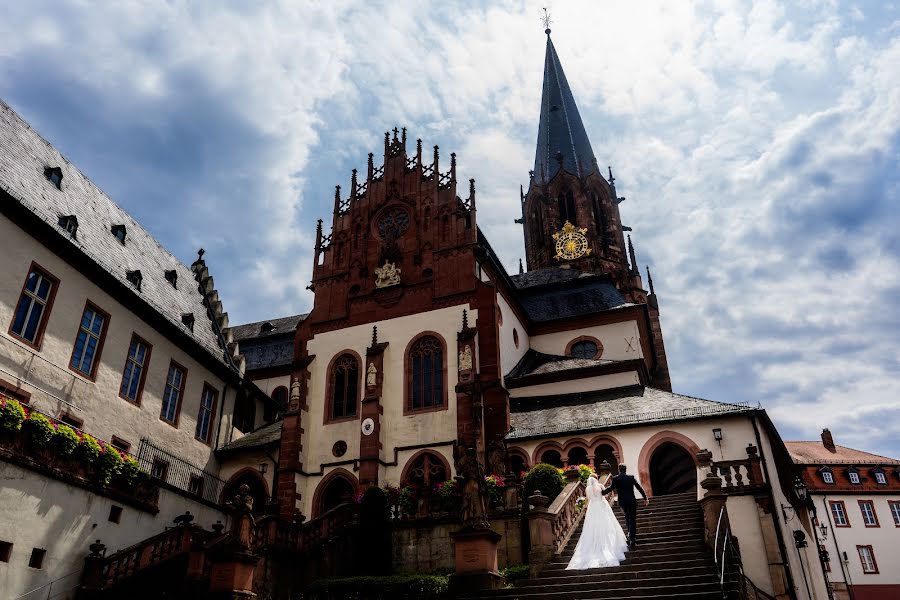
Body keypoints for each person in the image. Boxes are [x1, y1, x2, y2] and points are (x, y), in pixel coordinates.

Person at [565, 474, 629, 570]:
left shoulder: (587, 489)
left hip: (592, 508)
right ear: (596, 478)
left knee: (592, 527)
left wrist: (584, 506)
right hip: (601, 506)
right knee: (607, 525)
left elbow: (587, 499)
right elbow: (606, 494)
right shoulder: (599, 486)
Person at [602, 464, 648, 550]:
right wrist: (645, 498)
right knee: (632, 519)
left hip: (622, 502)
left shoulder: (616, 478)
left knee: (627, 518)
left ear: (619, 469)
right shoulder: (631, 478)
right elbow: (639, 488)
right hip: (632, 501)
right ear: (625, 470)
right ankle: (633, 540)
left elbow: (610, 488)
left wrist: (601, 493)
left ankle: (630, 535)